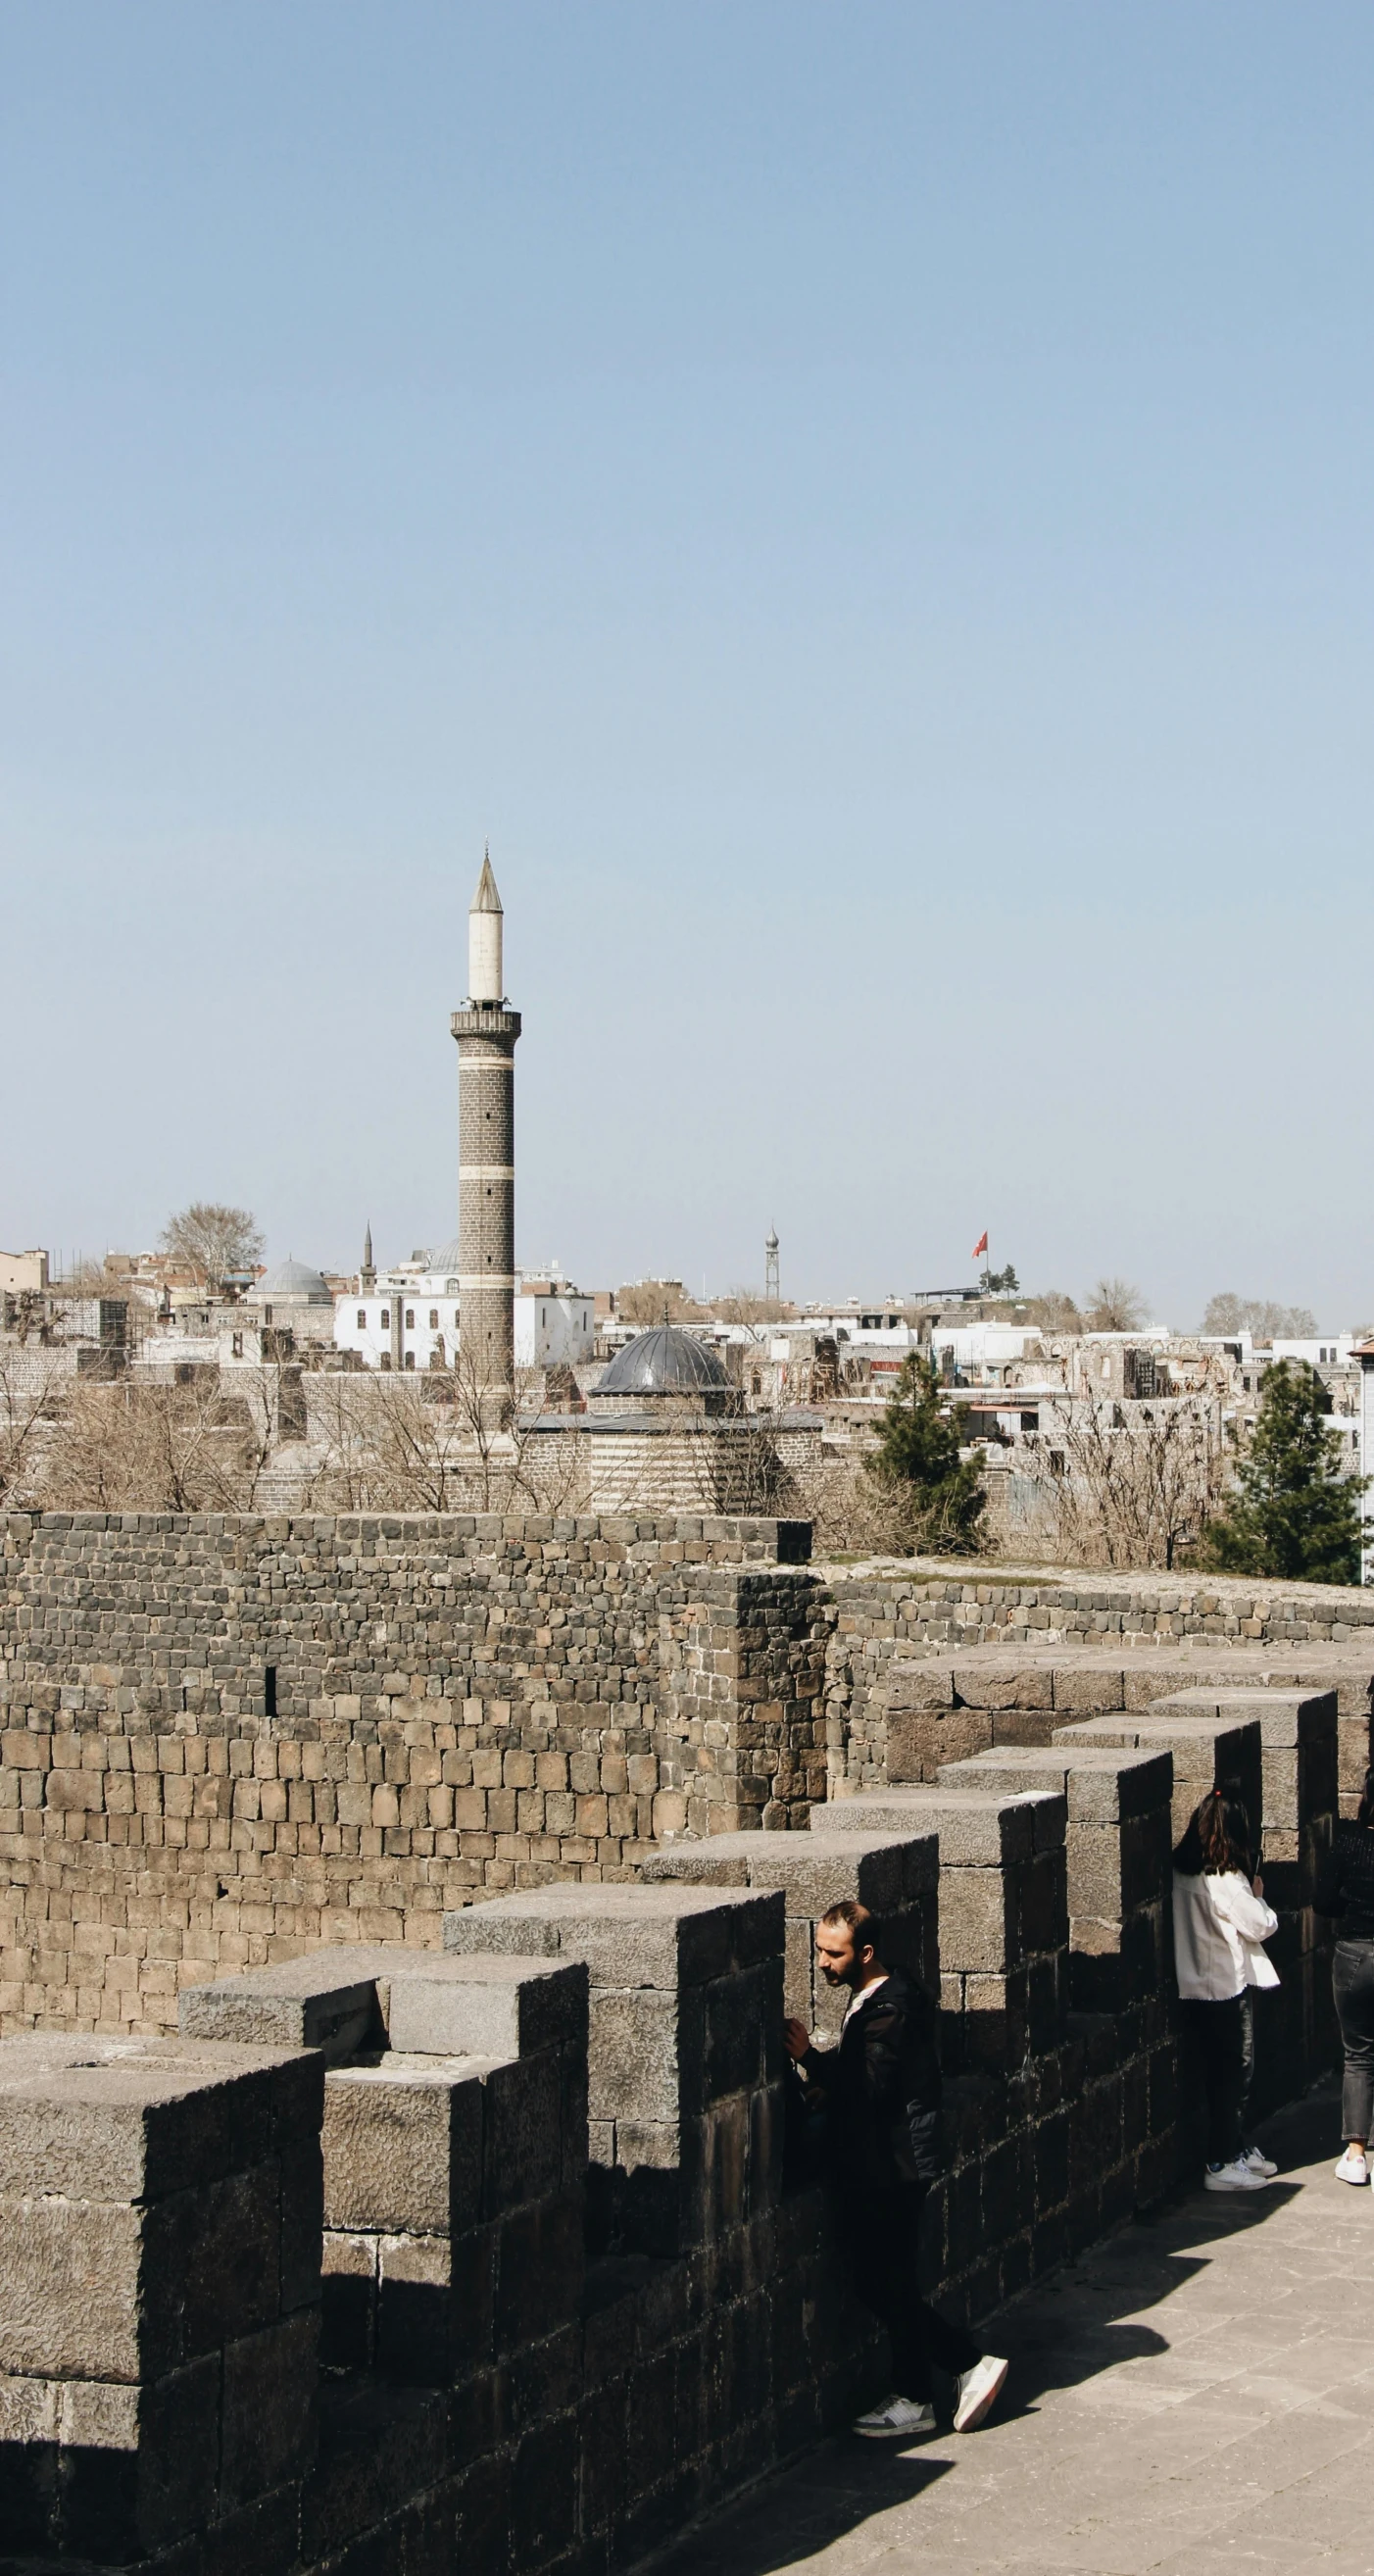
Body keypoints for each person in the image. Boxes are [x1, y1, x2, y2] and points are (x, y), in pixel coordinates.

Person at [783, 1899, 1008, 2442]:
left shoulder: (889, 2010)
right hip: (890, 2160)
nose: (821, 1964)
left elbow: (870, 2088)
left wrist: (812, 2061)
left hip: (895, 2165)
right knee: (892, 2281)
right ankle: (915, 2396)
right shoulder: (880, 1997)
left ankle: (966, 2364)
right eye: (818, 1949)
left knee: (881, 2283)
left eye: (832, 1954)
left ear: (864, 1953)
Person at [1172, 1786, 1280, 2193]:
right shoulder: (1227, 1879)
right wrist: (1259, 1897)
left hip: (1194, 1982)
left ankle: (1234, 2147)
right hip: (1225, 1986)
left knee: (1220, 2072)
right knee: (1235, 2071)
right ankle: (1221, 2160)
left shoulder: (1182, 1869)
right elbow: (1260, 1925)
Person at [1313, 1764, 1374, 2185]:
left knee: (1358, 2055)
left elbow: (1323, 1902)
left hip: (1355, 1953)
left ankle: (1356, 2153)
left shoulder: (1349, 1844)